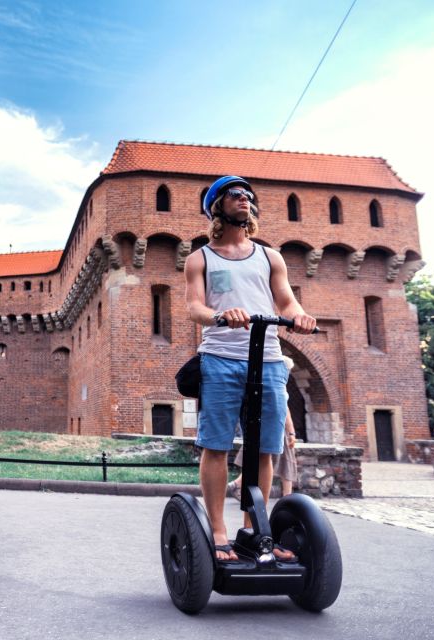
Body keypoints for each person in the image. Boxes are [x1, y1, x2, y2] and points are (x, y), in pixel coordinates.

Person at [185, 176, 316, 563]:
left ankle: (253, 529)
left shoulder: (269, 256)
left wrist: (300, 316)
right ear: (217, 208)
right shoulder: (200, 258)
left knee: (264, 449)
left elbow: (286, 302)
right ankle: (219, 532)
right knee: (216, 445)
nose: (244, 200)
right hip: (220, 358)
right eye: (235, 195)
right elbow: (194, 308)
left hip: (269, 360)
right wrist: (221, 316)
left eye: (248, 196)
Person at [227, 359, 299, 500]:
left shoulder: (266, 381)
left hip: (263, 426)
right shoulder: (277, 385)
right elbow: (284, 411)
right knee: (278, 461)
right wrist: (291, 433)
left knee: (259, 457)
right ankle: (286, 497)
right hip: (276, 429)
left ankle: (239, 485)